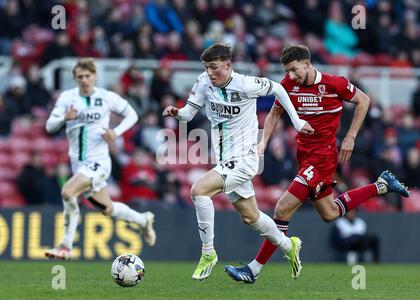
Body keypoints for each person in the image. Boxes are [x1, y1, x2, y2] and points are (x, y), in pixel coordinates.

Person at [225, 44, 410, 283]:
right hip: (304, 156)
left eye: (294, 70)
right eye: (287, 71)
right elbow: (273, 114)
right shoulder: (289, 85)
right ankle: (381, 186)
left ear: (307, 63)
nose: (291, 76)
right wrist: (262, 144)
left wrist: (351, 136)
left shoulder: (335, 84)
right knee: (330, 212)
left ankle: (253, 270)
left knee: (282, 209)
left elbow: (363, 101)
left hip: (323, 157)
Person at [162, 43, 314, 281]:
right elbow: (189, 113)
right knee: (251, 217)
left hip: (245, 159)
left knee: (198, 190)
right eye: (207, 68)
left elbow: (279, 89)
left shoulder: (246, 84)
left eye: (214, 67)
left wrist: (295, 122)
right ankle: (289, 246)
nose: (210, 73)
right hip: (224, 160)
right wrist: (177, 113)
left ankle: (208, 253)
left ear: (228, 65)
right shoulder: (203, 82)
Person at [44, 58, 156, 260]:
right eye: (80, 76)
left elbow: (132, 115)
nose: (84, 80)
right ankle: (143, 220)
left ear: (94, 76)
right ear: (74, 78)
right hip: (79, 165)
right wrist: (64, 118)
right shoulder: (67, 98)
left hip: (99, 163)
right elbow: (49, 126)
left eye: (88, 76)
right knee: (108, 209)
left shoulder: (106, 97)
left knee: (68, 192)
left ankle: (65, 246)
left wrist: (116, 132)